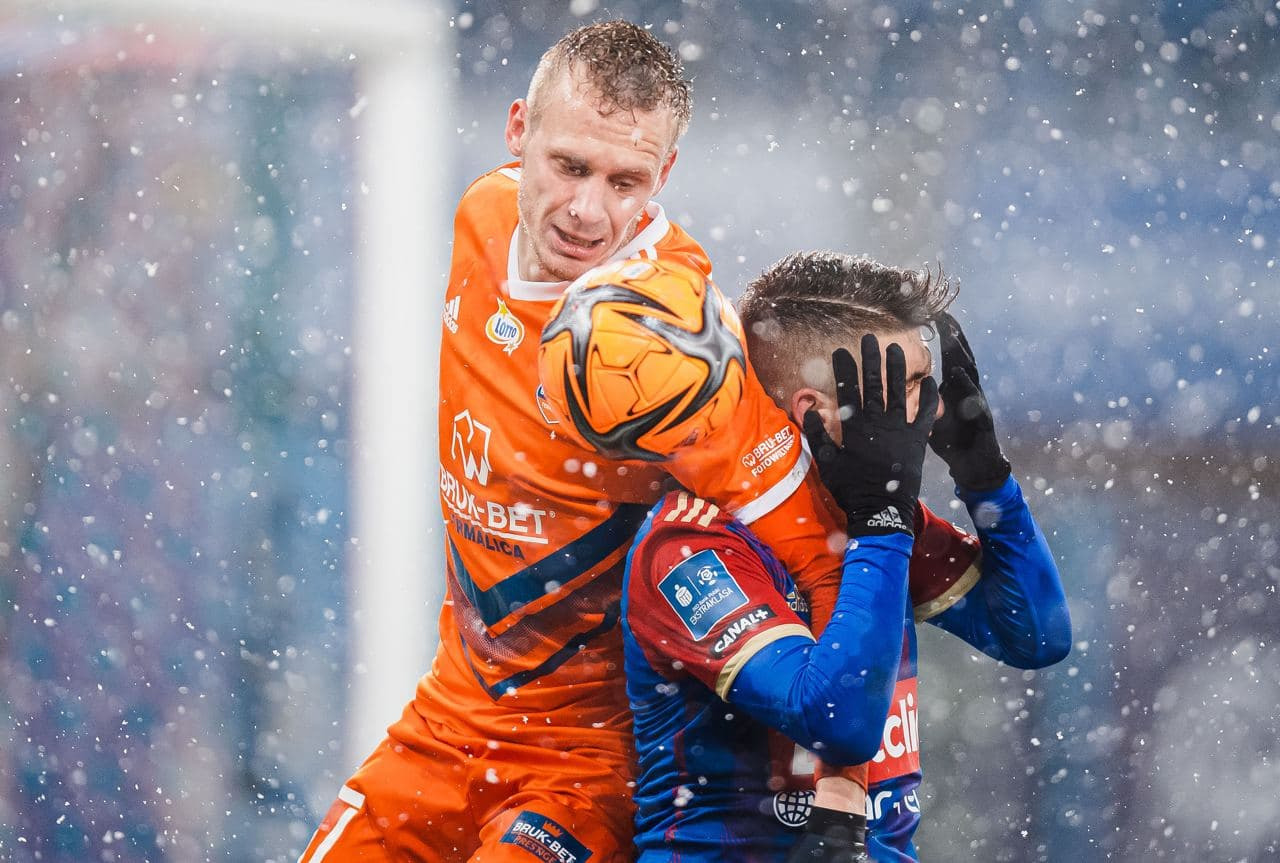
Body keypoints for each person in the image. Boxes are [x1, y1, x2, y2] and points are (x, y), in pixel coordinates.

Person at [300, 24, 864, 863]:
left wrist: (843, 792)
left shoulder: (682, 353)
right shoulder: (482, 214)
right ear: (517, 130)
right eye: (569, 166)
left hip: (589, 764)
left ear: (663, 176)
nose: (587, 210)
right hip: (449, 717)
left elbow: (828, 558)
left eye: (624, 181)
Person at [622, 252, 1072, 862]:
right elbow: (840, 722)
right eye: (905, 387)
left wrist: (986, 478)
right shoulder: (690, 548)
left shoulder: (866, 512)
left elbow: (1035, 636)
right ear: (814, 412)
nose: (932, 410)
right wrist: (881, 525)